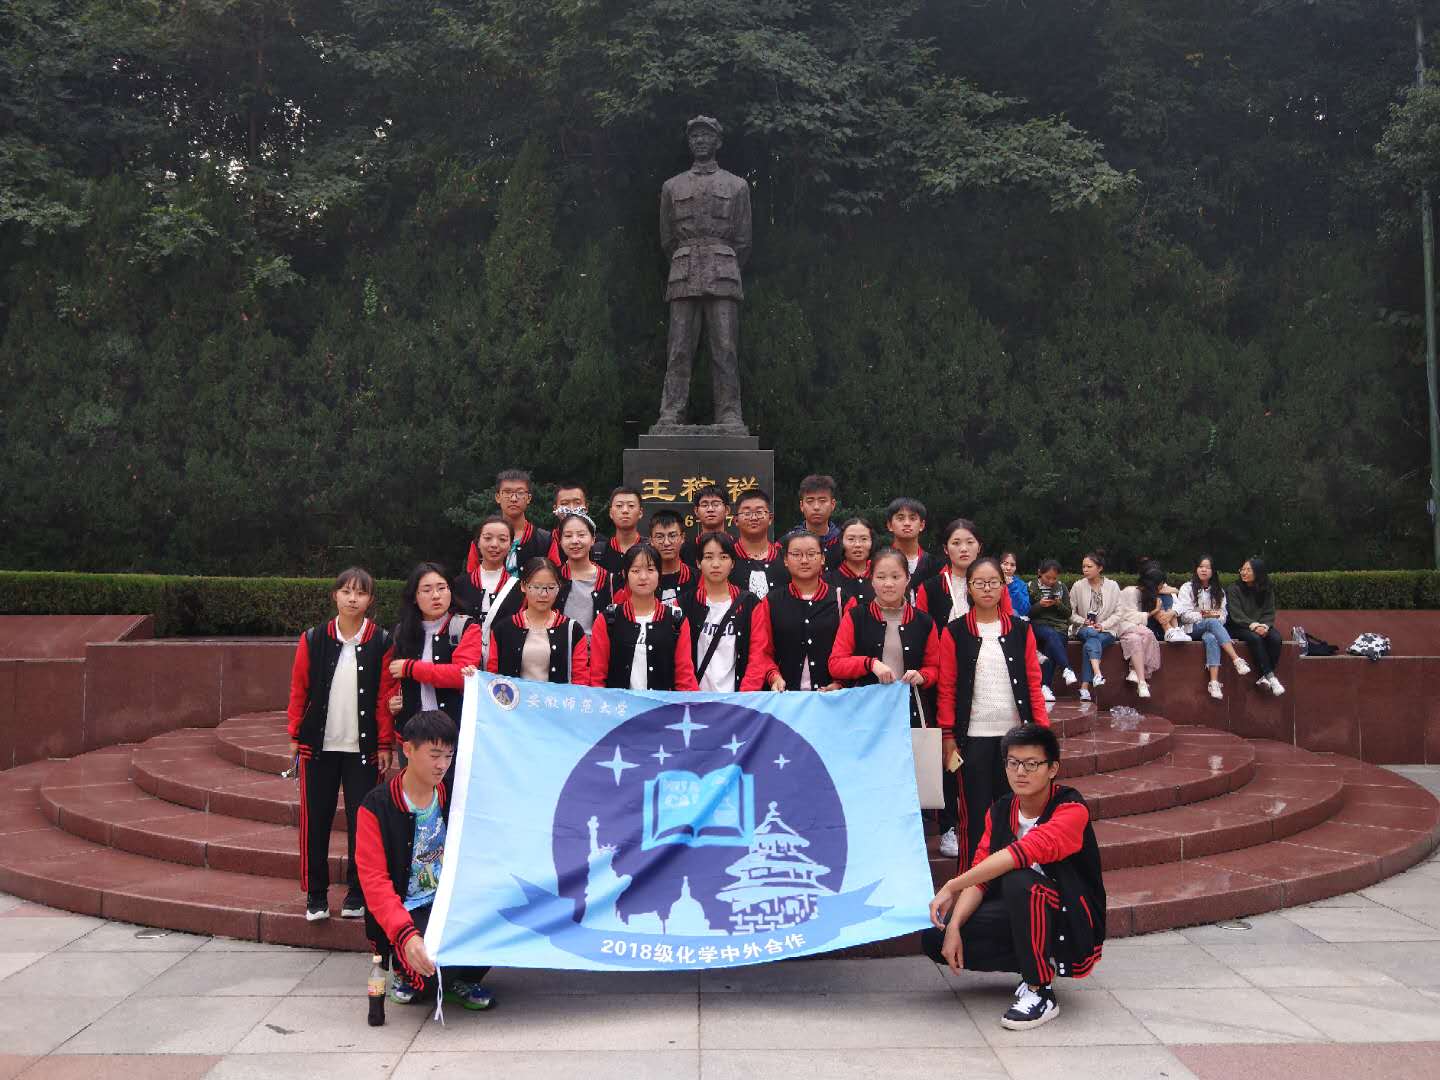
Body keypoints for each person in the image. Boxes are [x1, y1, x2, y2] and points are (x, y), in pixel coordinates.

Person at [926, 723, 1105, 1031]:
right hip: (1023, 908)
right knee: (936, 937)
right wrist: (954, 925)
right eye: (1013, 763)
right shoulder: (1001, 811)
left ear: (1052, 769)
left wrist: (952, 885)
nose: (1020, 772)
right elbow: (981, 875)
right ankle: (1034, 961)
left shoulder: (1070, 808)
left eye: (1031, 764)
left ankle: (1040, 990)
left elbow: (1022, 853)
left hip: (1068, 917)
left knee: (1018, 878)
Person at [354, 709, 496, 1011]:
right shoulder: (376, 806)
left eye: (448, 756)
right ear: (407, 749)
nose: (442, 765)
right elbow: (374, 881)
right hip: (408, 909)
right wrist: (405, 935)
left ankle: (459, 979)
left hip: (446, 901)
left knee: (499, 918)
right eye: (434, 755)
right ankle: (408, 973)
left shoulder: (452, 795)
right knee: (427, 972)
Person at [286, 567, 397, 922]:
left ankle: (357, 893)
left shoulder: (381, 641)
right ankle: (316, 895)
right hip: (319, 745)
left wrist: (384, 743)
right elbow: (299, 689)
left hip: (363, 748)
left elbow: (384, 697)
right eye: (346, 591)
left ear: (371, 600)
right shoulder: (313, 638)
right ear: (334, 595)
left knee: (362, 823)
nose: (353, 599)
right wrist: (294, 734)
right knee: (315, 820)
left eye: (360, 593)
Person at [936, 556, 1049, 869]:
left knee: (1014, 812)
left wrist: (1041, 732)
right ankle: (971, 880)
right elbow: (947, 688)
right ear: (969, 588)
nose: (987, 589)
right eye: (979, 583)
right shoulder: (954, 632)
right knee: (974, 816)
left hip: (1016, 738)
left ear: (1003, 587)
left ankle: (1012, 881)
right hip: (972, 739)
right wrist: (948, 736)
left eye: (993, 582)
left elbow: (1033, 683)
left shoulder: (1020, 630)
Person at [387, 563, 483, 790]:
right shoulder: (401, 632)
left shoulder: (465, 627)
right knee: (413, 798)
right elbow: (390, 678)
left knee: (450, 798)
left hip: (452, 733)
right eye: (427, 589)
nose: (436, 595)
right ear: (414, 597)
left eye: (442, 587)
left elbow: (461, 674)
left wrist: (412, 668)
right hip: (411, 733)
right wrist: (392, 700)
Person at [828, 548, 941, 725]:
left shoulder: (924, 621)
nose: (888, 584)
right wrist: (870, 664)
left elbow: (934, 667)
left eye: (896, 577)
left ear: (907, 579)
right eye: (881, 577)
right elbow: (836, 664)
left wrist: (922, 676)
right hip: (865, 714)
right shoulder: (856, 616)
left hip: (910, 714)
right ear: (871, 580)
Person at [588, 542, 699, 690]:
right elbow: (597, 678)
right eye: (635, 571)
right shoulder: (608, 619)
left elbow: (684, 677)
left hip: (662, 704)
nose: (643, 577)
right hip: (620, 704)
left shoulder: (675, 620)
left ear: (659, 574)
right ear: (625, 574)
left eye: (651, 569)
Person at [742, 532, 844, 691]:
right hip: (785, 697)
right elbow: (761, 652)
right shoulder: (771, 602)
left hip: (831, 697)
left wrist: (841, 683)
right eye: (796, 554)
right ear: (785, 560)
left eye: (811, 554)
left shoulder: (841, 600)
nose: (804, 560)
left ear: (823, 558)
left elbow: (850, 652)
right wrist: (773, 676)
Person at [680, 532, 767, 692]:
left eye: (723, 557)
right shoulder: (684, 605)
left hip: (737, 700)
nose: (716, 564)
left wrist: (743, 698)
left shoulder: (750, 604)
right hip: (696, 699)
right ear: (698, 563)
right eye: (708, 557)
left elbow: (758, 657)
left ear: (733, 562)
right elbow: (681, 664)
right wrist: (693, 698)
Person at [486, 559, 590, 684]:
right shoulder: (503, 629)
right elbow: (492, 676)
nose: (543, 594)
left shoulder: (572, 630)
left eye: (551, 587)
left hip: (555, 697)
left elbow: (580, 679)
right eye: (536, 587)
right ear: (523, 586)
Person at [1173, 555, 1251, 700]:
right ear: (1196, 569)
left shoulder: (1218, 590)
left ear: (1213, 571)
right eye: (1201, 567)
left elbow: (1223, 616)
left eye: (1208, 567)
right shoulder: (1187, 587)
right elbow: (1184, 616)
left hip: (1211, 629)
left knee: (1211, 637)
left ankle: (1214, 683)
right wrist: (1207, 615)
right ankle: (1236, 659)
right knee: (1211, 622)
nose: (1204, 570)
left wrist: (1212, 617)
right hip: (1191, 629)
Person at [450, 515, 524, 664]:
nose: (494, 545)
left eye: (502, 539)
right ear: (478, 542)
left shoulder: (520, 589)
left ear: (511, 544)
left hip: (503, 666)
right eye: (488, 538)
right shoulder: (459, 585)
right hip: (463, 665)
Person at [464, 469, 550, 575]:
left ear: (528, 498)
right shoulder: (481, 540)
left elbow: (555, 578)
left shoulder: (545, 540)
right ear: (498, 497)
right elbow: (471, 578)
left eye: (520, 493)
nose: (513, 498)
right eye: (507, 492)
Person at [1226, 556, 1286, 696]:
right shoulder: (1234, 589)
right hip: (1238, 626)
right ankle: (1271, 677)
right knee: (1255, 638)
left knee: (1276, 638)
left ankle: (1264, 677)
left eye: (1248, 570)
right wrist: (1253, 626)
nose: (1244, 572)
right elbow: (1236, 614)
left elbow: (1269, 612)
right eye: (1242, 569)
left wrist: (1264, 626)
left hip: (1261, 626)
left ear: (1258, 572)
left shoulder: (1267, 589)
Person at [1067, 551, 1122, 703]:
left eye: (1089, 566)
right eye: (1083, 566)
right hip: (1083, 628)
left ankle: (1085, 687)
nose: (1085, 570)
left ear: (1100, 568)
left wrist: (1103, 625)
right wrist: (1083, 621)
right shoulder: (1078, 586)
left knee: (1089, 645)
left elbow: (1119, 613)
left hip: (1106, 630)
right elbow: (1070, 613)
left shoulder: (1113, 586)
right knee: (1090, 633)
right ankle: (1097, 674)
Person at [553, 509, 615, 633]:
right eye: (568, 536)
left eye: (581, 535)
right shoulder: (554, 578)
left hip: (597, 644)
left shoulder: (609, 580)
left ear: (593, 539)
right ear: (560, 541)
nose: (575, 541)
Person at [1026, 559, 1077, 703]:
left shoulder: (1061, 588)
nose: (1051, 581)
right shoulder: (1030, 586)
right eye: (1047, 577)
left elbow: (1068, 613)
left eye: (1054, 578)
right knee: (1050, 635)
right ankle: (1066, 668)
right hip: (1038, 625)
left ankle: (1045, 687)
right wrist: (1040, 605)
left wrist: (1058, 603)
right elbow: (1027, 612)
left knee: (1052, 644)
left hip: (1059, 627)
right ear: (1039, 573)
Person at [916, 518, 983, 627]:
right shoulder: (929, 588)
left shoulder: (994, 585)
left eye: (970, 542)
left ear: (979, 547)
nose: (964, 549)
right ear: (946, 549)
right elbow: (920, 629)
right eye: (956, 543)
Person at [728, 488, 786, 600]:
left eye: (759, 512)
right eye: (747, 513)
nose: (753, 518)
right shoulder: (726, 557)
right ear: (736, 520)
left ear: (770, 518)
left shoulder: (785, 558)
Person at [783, 474, 844, 571]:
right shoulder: (787, 543)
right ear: (801, 506)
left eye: (822, 501)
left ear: (833, 504)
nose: (816, 507)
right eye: (810, 501)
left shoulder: (843, 542)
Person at [1116, 575, 1162, 699]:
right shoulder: (1130, 592)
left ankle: (1137, 675)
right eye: (1159, 586)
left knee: (1136, 639)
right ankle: (1141, 680)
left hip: (1134, 629)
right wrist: (1154, 611)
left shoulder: (1146, 593)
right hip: (1123, 625)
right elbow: (1127, 615)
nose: (1161, 589)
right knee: (1147, 634)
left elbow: (1170, 589)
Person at [885, 497, 944, 591]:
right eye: (900, 518)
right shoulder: (879, 562)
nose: (907, 523)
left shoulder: (935, 565)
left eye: (912, 518)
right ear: (889, 525)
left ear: (922, 525)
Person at [826, 516, 876, 611]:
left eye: (864, 539)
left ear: (872, 542)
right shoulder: (829, 582)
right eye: (851, 539)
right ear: (841, 542)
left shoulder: (882, 577)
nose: (857, 544)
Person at [647, 509, 695, 607]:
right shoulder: (643, 578)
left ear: (682, 538)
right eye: (659, 537)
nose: (666, 543)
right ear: (651, 540)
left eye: (672, 536)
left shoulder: (697, 578)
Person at [596, 486, 645, 577]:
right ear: (611, 513)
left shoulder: (650, 549)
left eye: (631, 506)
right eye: (619, 506)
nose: (625, 510)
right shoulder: (597, 552)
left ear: (640, 513)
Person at [679, 484, 732, 566]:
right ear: (696, 511)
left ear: (727, 510)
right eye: (704, 505)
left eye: (716, 504)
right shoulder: (684, 550)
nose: (710, 509)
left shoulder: (737, 546)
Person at [545, 480, 594, 565]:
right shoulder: (544, 542)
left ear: (586, 507)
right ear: (555, 508)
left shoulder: (600, 545)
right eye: (565, 503)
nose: (571, 508)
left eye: (577, 503)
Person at [999, 552, 1031, 617]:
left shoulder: (1021, 584)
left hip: (1012, 618)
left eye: (1012, 565)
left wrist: (1012, 587)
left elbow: (1024, 610)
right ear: (999, 565)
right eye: (1005, 564)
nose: (1008, 568)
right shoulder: (991, 581)